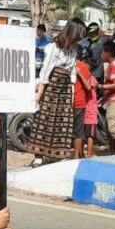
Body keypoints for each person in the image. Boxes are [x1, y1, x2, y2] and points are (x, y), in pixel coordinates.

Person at [28, 19, 87, 166]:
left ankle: (56, 153)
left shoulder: (73, 48)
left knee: (64, 121)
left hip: (66, 87)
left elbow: (72, 70)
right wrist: (39, 95)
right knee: (45, 119)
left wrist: (72, 92)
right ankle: (39, 156)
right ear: (73, 33)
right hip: (52, 86)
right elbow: (46, 71)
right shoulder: (54, 47)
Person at [73, 48, 97, 159]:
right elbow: (88, 87)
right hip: (81, 104)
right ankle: (78, 155)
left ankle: (81, 155)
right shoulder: (82, 67)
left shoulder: (70, 65)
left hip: (77, 104)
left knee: (82, 133)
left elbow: (89, 87)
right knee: (79, 132)